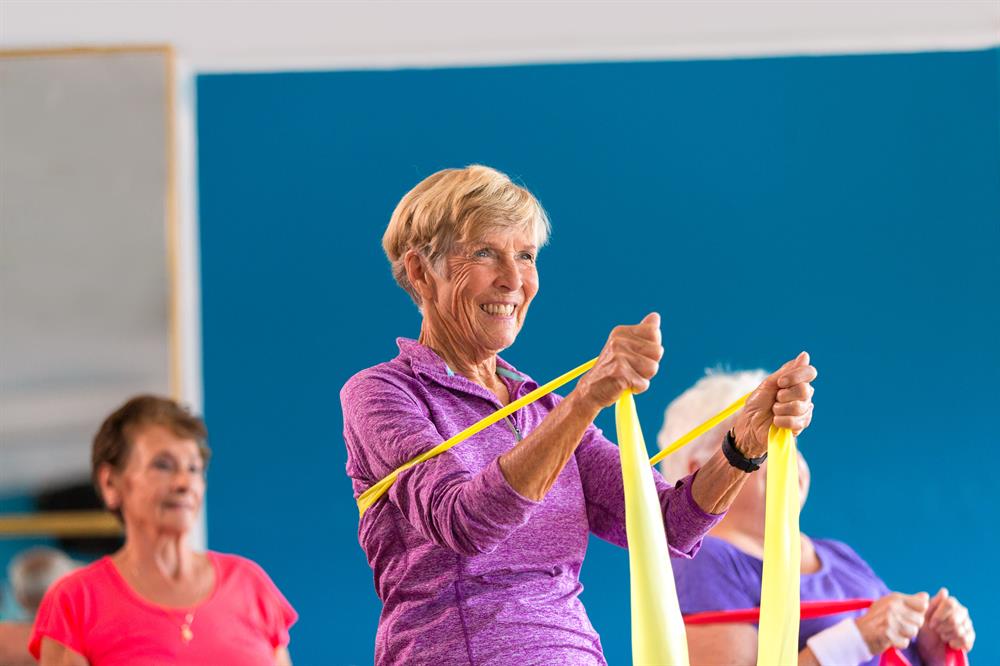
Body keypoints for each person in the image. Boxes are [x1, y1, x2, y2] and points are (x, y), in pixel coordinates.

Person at [341, 165, 818, 664]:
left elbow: (666, 527)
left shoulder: (542, 406)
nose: (513, 280)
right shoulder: (382, 393)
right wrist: (586, 398)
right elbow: (466, 523)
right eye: (484, 253)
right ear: (420, 271)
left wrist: (743, 446)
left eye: (525, 256)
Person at [660, 370, 976, 666]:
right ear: (699, 471)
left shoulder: (838, 554)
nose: (791, 459)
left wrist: (928, 649)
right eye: (764, 443)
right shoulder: (704, 560)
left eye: (791, 442)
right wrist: (856, 640)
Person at [29, 395, 298, 665]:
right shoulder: (75, 602)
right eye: (163, 465)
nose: (185, 482)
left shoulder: (249, 584)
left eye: (194, 468)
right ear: (110, 483)